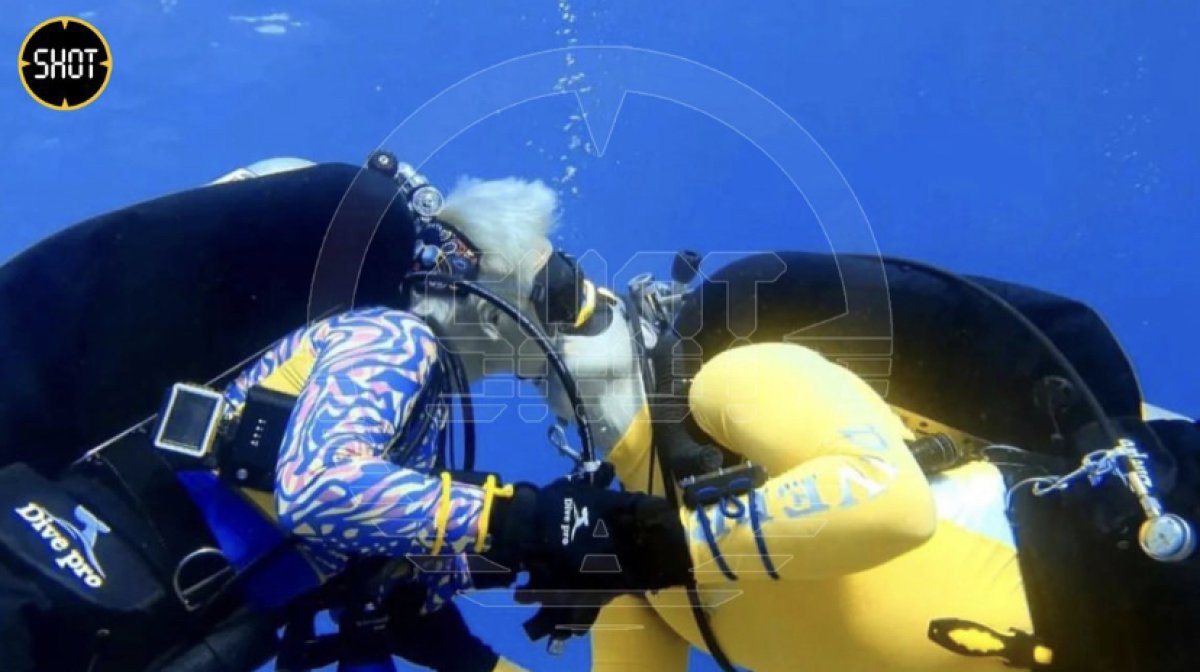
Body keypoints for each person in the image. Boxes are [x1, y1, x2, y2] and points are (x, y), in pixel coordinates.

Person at [0, 156, 699, 672]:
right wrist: (527, 520)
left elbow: (388, 568)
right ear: (486, 279)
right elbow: (324, 491)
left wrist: (545, 564)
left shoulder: (418, 429)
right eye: (552, 287)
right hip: (59, 592)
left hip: (128, 626)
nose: (559, 319)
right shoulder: (390, 339)